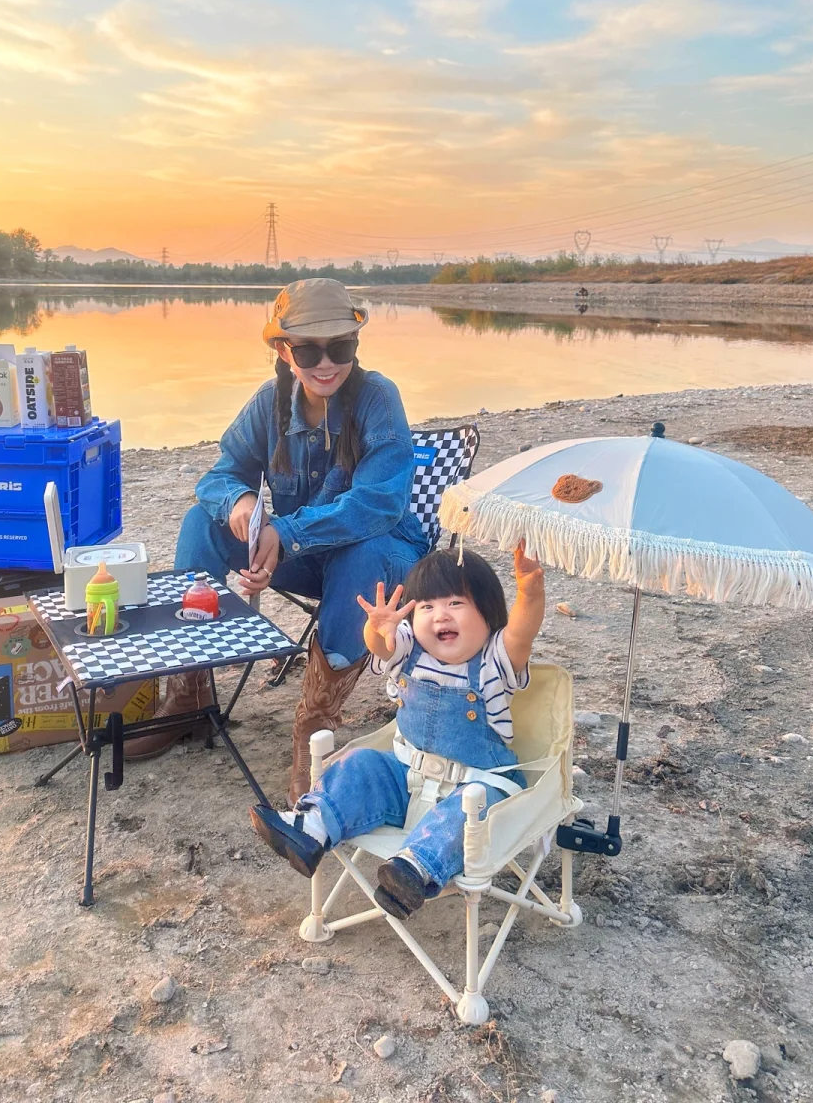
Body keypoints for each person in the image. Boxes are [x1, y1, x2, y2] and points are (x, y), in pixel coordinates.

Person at [126, 277, 429, 802]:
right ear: (285, 351)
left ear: (356, 345)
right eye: (309, 349)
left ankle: (315, 724)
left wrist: (284, 532)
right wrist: (241, 504)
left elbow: (379, 503)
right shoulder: (269, 402)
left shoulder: (378, 398)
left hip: (380, 560)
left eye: (341, 347)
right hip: (302, 555)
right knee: (202, 521)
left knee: (366, 550)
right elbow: (218, 476)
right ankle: (188, 693)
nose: (325, 363)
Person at [248, 544, 545, 919]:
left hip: (477, 783)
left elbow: (521, 634)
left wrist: (531, 591)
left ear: (488, 614)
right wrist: (377, 628)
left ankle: (413, 870)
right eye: (427, 607)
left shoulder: (493, 661)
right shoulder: (411, 651)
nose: (441, 616)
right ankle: (310, 828)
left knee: (471, 812)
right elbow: (381, 646)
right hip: (407, 776)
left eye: (456, 603)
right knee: (362, 763)